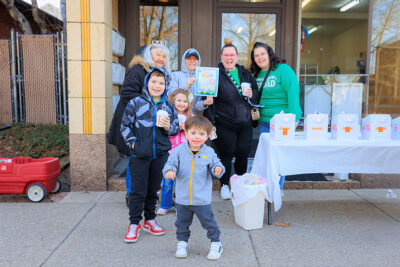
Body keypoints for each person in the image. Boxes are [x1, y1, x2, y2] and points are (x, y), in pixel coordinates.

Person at [107, 42, 170, 205]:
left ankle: (144, 195)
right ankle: (131, 195)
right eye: (158, 55)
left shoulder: (156, 73)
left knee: (144, 160)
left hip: (146, 124)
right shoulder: (139, 70)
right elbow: (127, 93)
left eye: (164, 56)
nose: (161, 59)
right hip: (133, 123)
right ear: (150, 56)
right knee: (135, 160)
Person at [121, 67, 179, 243]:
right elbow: (124, 126)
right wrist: (132, 143)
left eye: (161, 82)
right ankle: (133, 224)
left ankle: (150, 221)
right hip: (139, 155)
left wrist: (169, 126)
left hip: (160, 155)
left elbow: (175, 129)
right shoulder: (136, 103)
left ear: (166, 85)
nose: (157, 85)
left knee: (154, 190)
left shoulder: (168, 106)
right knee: (137, 191)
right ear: (147, 82)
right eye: (154, 81)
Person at [162, 116, 225, 260]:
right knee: (181, 223)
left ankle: (216, 243)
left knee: (209, 223)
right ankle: (182, 243)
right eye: (193, 133)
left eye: (202, 134)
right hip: (182, 198)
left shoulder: (209, 152)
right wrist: (169, 171)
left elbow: (217, 163)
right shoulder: (178, 151)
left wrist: (218, 169)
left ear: (208, 136)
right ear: (186, 133)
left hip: (201, 199)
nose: (197, 137)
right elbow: (170, 164)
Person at [204, 40, 258, 200]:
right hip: (224, 123)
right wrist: (211, 123)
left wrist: (252, 95)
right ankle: (224, 186)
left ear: (237, 56)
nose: (229, 58)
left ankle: (240, 184)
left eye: (232, 55)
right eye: (226, 55)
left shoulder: (244, 73)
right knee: (226, 155)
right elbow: (208, 101)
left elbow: (255, 91)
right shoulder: (214, 74)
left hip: (245, 122)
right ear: (221, 57)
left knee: (243, 153)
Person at [250, 41, 302, 191]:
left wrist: (295, 118)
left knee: (278, 160)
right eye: (256, 55)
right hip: (264, 123)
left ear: (269, 54)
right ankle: (268, 188)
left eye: (262, 54)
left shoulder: (283, 70)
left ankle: (276, 191)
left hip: (282, 123)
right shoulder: (257, 74)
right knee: (267, 159)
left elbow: (293, 93)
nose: (260, 58)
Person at [157, 88, 193, 215]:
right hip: (170, 152)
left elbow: (194, 137)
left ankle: (180, 206)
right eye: (179, 100)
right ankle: (165, 205)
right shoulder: (168, 115)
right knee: (167, 181)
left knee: (182, 181)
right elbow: (164, 132)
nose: (182, 103)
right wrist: (174, 127)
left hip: (184, 153)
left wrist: (186, 129)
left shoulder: (190, 117)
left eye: (184, 101)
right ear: (173, 101)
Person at [169, 48, 213, 115]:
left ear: (199, 61)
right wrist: (186, 87)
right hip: (176, 116)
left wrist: (205, 102)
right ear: (184, 60)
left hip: (193, 119)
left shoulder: (202, 78)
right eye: (189, 58)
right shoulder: (175, 75)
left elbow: (196, 107)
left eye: (195, 59)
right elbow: (171, 96)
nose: (192, 61)